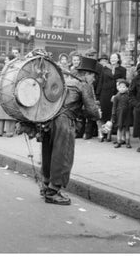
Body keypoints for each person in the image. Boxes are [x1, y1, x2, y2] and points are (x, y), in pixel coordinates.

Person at [39, 56, 101, 205]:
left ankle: (46, 185)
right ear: (87, 74)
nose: (94, 79)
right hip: (64, 122)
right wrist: (98, 114)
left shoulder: (65, 80)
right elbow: (92, 111)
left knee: (48, 153)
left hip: (48, 119)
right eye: (93, 76)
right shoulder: (83, 85)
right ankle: (53, 191)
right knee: (63, 155)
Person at [96, 52, 127, 142]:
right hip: (104, 94)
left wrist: (119, 94)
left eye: (115, 58)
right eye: (111, 58)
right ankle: (101, 134)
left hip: (115, 94)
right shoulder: (105, 68)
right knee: (102, 114)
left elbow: (123, 82)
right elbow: (100, 82)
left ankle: (108, 134)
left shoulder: (122, 69)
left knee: (111, 114)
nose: (113, 59)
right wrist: (98, 95)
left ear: (118, 59)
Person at [0, 54, 17, 137]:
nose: (5, 61)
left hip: (10, 93)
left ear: (11, 60)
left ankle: (10, 131)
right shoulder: (5, 68)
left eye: (6, 59)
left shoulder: (15, 69)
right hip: (2, 92)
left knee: (10, 112)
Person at [109, 79, 132, 149]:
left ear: (127, 88)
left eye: (124, 87)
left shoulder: (129, 96)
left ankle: (128, 142)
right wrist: (113, 115)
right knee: (119, 128)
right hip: (119, 115)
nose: (122, 89)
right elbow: (114, 107)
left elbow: (131, 105)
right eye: (120, 87)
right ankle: (119, 141)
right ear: (118, 88)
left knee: (127, 129)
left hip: (127, 115)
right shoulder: (116, 97)